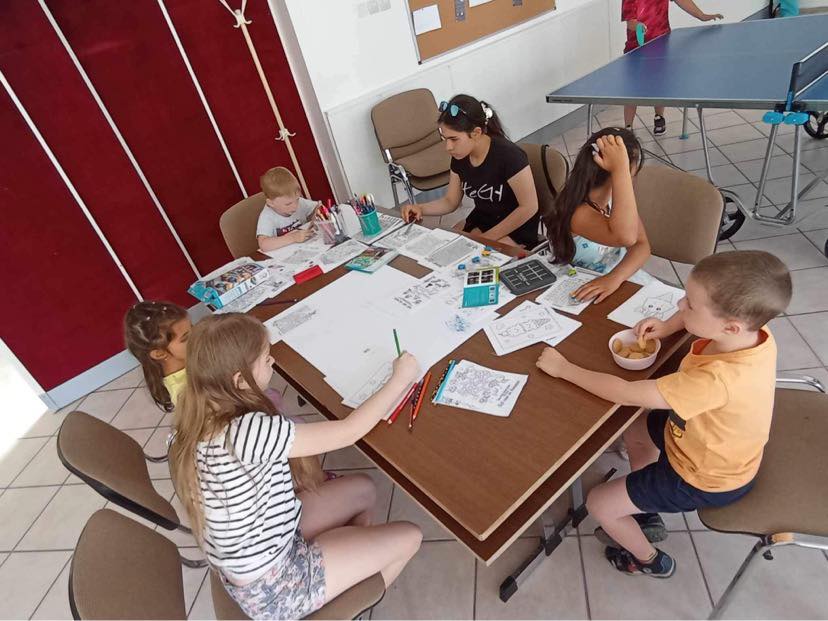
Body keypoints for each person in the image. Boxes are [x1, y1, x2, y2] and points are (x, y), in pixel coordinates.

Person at [536, 250, 791, 577]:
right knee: (638, 424)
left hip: (703, 477)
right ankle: (645, 508)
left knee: (599, 503)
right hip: (700, 437)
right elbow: (698, 321)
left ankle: (647, 560)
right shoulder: (754, 332)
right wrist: (668, 326)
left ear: (730, 327)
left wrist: (565, 369)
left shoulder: (715, 381)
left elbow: (625, 392)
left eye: (690, 305)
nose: (681, 305)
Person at [169, 313, 423, 619]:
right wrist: (400, 379)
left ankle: (349, 564)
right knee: (411, 536)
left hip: (270, 542)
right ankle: (346, 599)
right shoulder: (246, 432)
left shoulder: (195, 412)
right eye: (266, 359)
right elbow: (349, 432)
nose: (272, 362)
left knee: (365, 490)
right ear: (239, 380)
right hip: (275, 586)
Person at [401, 94, 539, 248]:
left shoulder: (509, 156)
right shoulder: (460, 156)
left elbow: (529, 207)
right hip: (484, 220)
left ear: (476, 133)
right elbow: (450, 201)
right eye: (445, 138)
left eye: (454, 139)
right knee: (446, 248)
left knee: (475, 256)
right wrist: (420, 208)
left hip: (516, 227)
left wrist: (486, 239)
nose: (448, 147)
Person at [543, 128, 652, 303]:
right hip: (584, 288)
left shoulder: (614, 199)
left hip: (617, 280)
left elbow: (642, 244)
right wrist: (621, 171)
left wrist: (615, 278)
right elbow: (627, 237)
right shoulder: (578, 213)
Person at [621, 0, 723, 134]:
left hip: (661, 43)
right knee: (632, 91)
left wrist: (702, 16)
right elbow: (630, 23)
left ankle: (659, 117)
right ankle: (628, 127)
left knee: (659, 85)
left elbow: (682, 1)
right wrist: (638, 26)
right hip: (636, 49)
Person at [257, 166, 320, 252]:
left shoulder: (299, 202)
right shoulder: (267, 216)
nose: (295, 206)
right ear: (271, 203)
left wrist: (316, 217)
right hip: (283, 254)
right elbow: (264, 245)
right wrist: (293, 237)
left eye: (297, 199)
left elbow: (318, 207)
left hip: (305, 248)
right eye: (288, 204)